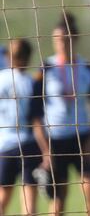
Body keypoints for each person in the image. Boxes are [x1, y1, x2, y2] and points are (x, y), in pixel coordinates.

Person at [34, 12, 90, 216]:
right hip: (55, 140)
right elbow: (35, 113)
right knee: (58, 200)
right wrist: (45, 148)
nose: (61, 43)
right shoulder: (45, 68)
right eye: (57, 39)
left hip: (82, 138)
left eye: (65, 39)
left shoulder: (87, 68)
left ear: (75, 39)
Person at [0, 39, 43, 215]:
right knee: (29, 204)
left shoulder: (1, 78)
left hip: (4, 145)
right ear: (28, 57)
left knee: (2, 199)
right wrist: (46, 150)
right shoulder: (31, 83)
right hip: (28, 145)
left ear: (9, 57)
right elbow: (37, 120)